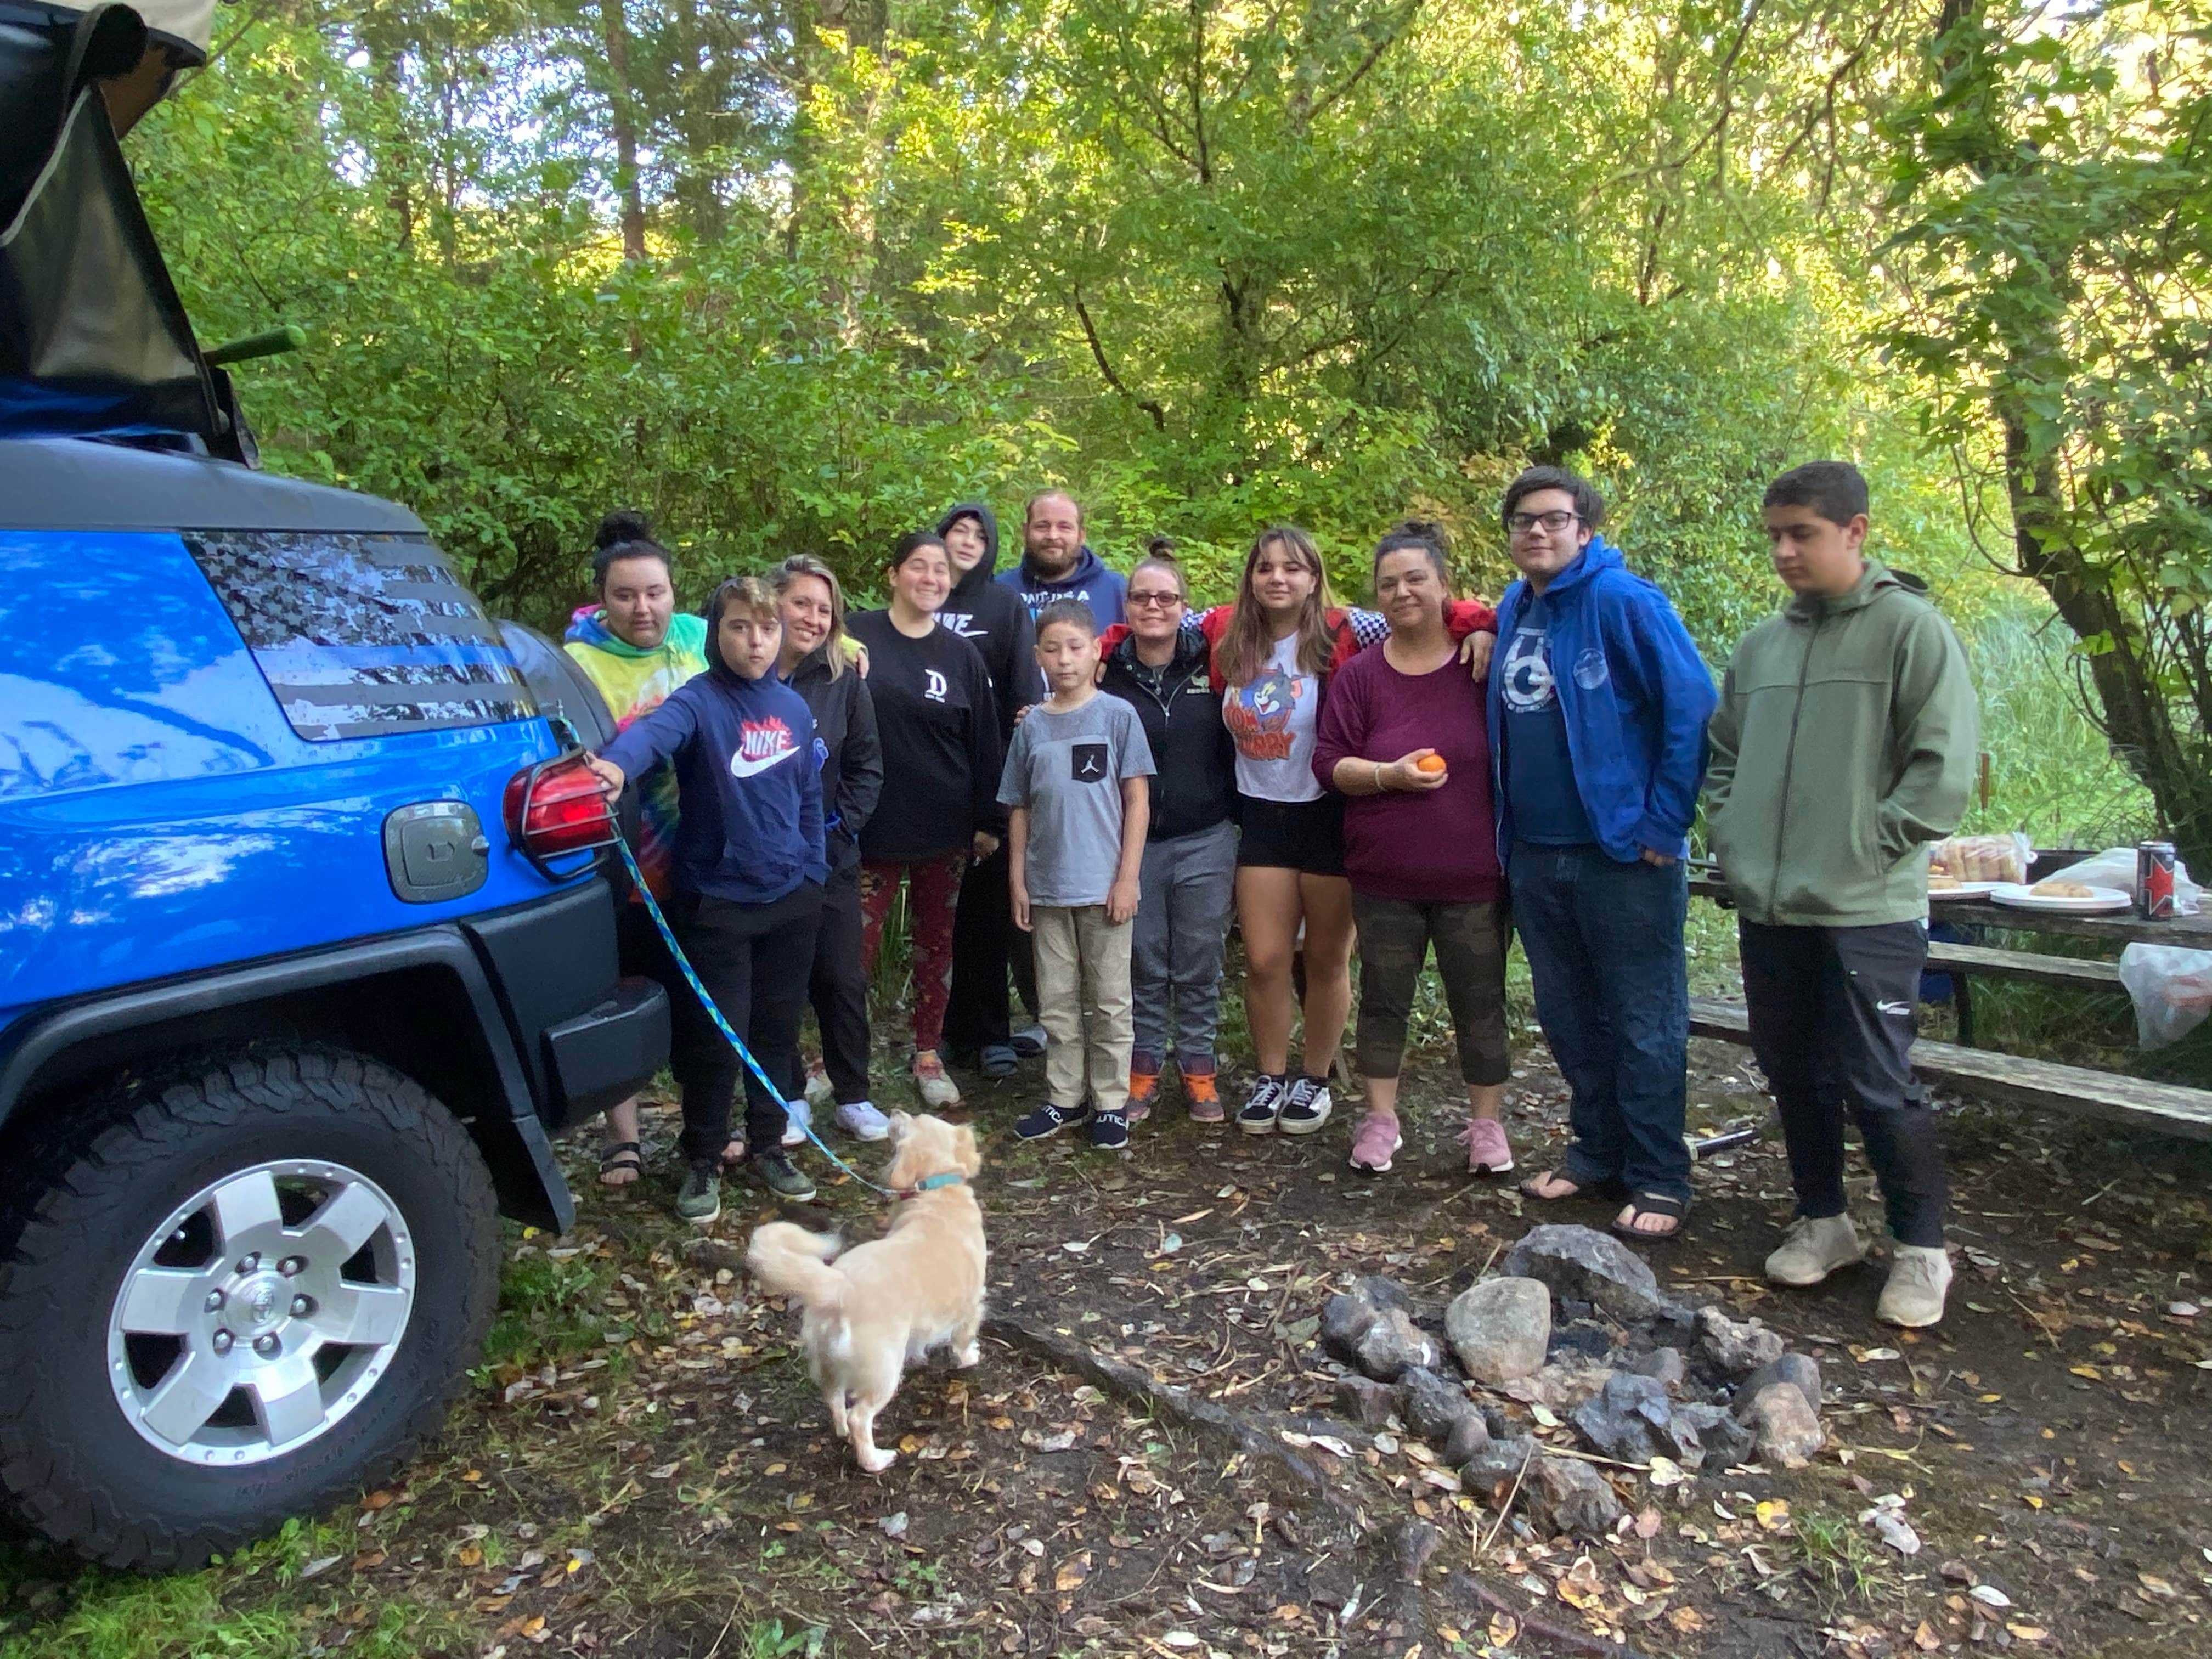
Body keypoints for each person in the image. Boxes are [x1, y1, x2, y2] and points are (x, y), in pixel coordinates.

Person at [1706, 461, 1977, 1328]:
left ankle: (1923, 1249)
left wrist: (1869, 845)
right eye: (1775, 536)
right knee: (1794, 1069)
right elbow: (1723, 758)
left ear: (1855, 532)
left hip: (1870, 910)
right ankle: (1824, 1222)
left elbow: (1942, 772)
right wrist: (1734, 835)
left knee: (1879, 1079)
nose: (1785, 551)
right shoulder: (1763, 646)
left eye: (1803, 535)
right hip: (1772, 906)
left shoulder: (1911, 631)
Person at [1126, 528, 1493, 1139]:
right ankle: (1271, 1075)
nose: (1278, 579)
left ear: (1314, 577)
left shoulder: (1351, 630)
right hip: (1261, 816)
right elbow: (1147, 621)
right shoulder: (1220, 633)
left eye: (1292, 568)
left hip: (1331, 813)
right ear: (1250, 578)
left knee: (1325, 958)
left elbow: (1423, 610)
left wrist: (1478, 622)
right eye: (1265, 568)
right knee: (1267, 960)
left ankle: (1314, 1078)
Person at [1489, 469, 1718, 1241]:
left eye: (1554, 520)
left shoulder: (1626, 602)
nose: (1538, 533)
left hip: (1622, 854)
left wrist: (1664, 824)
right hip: (1535, 851)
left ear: (1585, 529)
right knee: (1569, 1015)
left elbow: (1692, 709)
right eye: (1524, 522)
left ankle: (1660, 1175)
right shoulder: (1515, 606)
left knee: (1643, 1017)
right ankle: (1597, 1152)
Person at [586, 575, 826, 1223]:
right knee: (717, 1039)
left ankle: (771, 1145)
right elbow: (652, 736)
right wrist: (614, 768)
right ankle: (702, 1157)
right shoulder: (699, 701)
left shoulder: (794, 708)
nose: (755, 641)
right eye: (740, 627)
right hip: (718, 901)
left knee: (776, 1034)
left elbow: (808, 796)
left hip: (791, 898)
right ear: (716, 632)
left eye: (767, 629)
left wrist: (814, 871)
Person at [1314, 523, 1513, 1176]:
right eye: (1388, 584)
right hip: (1384, 874)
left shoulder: (1483, 664)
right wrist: (1388, 775)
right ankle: (1380, 1119)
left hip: (1475, 875)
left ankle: (1486, 1126)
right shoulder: (1361, 677)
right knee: (1383, 998)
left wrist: (1483, 628)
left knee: (1480, 1002)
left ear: (1443, 587)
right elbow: (1328, 762)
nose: (1402, 592)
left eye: (1415, 579)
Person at [561, 510, 708, 1187]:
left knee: (698, 989)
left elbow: (775, 650)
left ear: (674, 590)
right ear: (603, 598)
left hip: (703, 851)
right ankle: (623, 1137)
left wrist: (845, 647)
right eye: (626, 595)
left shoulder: (700, 639)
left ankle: (702, 1124)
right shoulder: (577, 663)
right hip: (622, 857)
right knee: (618, 987)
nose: (643, 608)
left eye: (655, 592)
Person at [847, 532, 1005, 1109]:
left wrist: (990, 820)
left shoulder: (960, 653)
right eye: (919, 567)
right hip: (870, 825)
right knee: (850, 951)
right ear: (893, 574)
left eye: (942, 571)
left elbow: (985, 740)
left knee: (936, 947)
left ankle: (927, 1054)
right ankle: (836, 1060)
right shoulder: (855, 636)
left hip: (946, 827)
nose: (932, 579)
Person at [1001, 601, 1154, 1149]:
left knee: (1111, 998)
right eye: (1052, 649)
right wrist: (1018, 880)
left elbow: (1137, 800)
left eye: (1074, 648)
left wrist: (1127, 878)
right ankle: (1065, 1096)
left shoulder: (1118, 717)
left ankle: (1111, 1101)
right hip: (1047, 887)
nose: (1063, 660)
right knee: (1056, 998)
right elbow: (1018, 806)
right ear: (1038, 656)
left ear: (1095, 653)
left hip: (1104, 885)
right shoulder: (1033, 725)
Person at [1099, 543, 1239, 1122]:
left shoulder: (1215, 661)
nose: (1153, 605)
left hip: (1208, 834)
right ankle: (1145, 1066)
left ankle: (1200, 1067)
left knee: (1200, 960)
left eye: (1165, 596)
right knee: (1145, 961)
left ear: (1185, 605)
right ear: (1126, 605)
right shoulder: (1106, 671)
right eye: (1141, 596)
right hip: (1133, 843)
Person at [772, 554, 888, 1143]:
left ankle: (854, 1096)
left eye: (825, 608)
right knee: (779, 982)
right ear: (774, 605)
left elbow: (867, 764)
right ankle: (788, 1094)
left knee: (843, 978)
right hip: (763, 864)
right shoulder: (745, 673)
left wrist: (842, 832)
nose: (813, 618)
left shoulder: (843, 678)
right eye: (801, 604)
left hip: (831, 854)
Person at [936, 502, 1048, 1077]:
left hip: (989, 776)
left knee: (987, 912)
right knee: (939, 919)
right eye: (959, 530)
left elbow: (1025, 698)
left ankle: (992, 1032)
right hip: (927, 779)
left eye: (981, 534)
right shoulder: (921, 600)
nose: (969, 541)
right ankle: (943, 1032)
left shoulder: (1005, 606)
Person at [997, 490, 1127, 628]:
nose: (1053, 536)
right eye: (1042, 526)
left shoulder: (1116, 591)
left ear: (1081, 536)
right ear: (1025, 531)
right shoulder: (1000, 591)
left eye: (1064, 527)